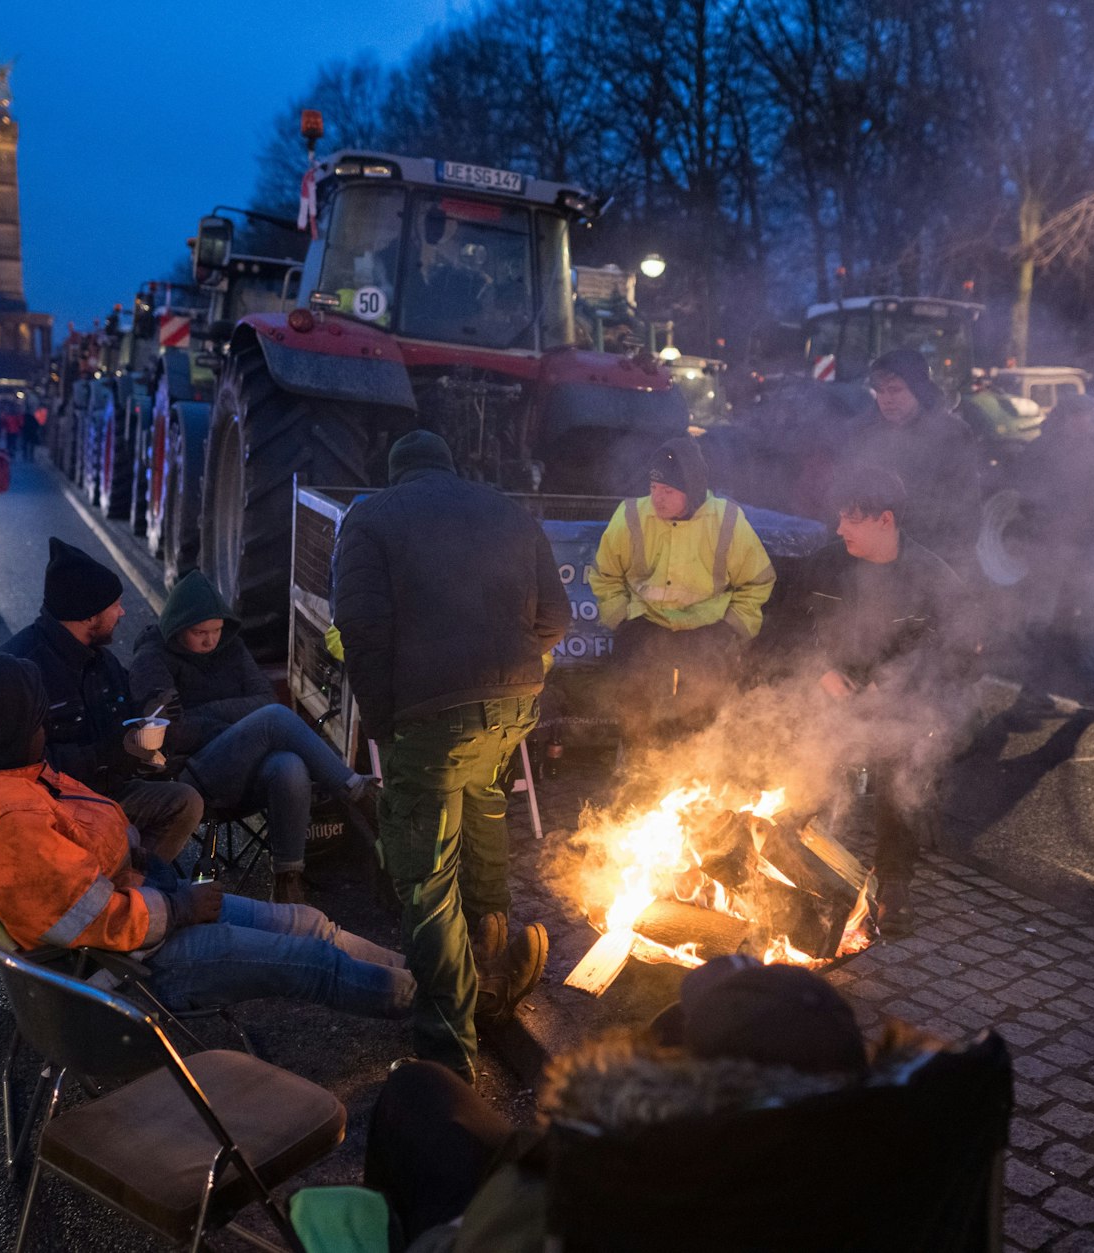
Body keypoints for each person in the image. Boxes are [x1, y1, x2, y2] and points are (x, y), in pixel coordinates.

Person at [0, 652, 415, 1021]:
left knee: (307, 924)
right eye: (37, 720)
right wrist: (180, 908)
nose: (46, 731)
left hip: (145, 904)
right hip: (127, 966)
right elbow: (87, 921)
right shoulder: (8, 821)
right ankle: (431, 1004)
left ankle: (421, 976)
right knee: (312, 962)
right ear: (4, 728)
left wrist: (160, 879)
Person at [353, 957, 873, 1251]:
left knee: (413, 1093)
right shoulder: (845, 1177)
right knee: (428, 1088)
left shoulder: (616, 1178)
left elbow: (490, 1236)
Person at [332, 430, 566, 1081]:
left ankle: (445, 1049)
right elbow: (557, 617)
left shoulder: (370, 517)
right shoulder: (509, 509)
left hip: (431, 718)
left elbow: (359, 625)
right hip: (514, 704)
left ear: (395, 472)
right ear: (449, 465)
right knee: (486, 804)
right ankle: (490, 957)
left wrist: (384, 720)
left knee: (426, 876)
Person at [129, 570, 378, 904]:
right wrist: (237, 725)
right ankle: (357, 791)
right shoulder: (152, 658)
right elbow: (170, 733)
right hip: (190, 777)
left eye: (216, 630)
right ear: (176, 628)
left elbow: (264, 699)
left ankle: (288, 881)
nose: (210, 640)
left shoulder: (232, 647)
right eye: (199, 632)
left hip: (241, 769)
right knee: (274, 720)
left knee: (288, 764)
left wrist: (210, 717)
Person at [809, 465, 979, 933]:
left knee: (903, 763)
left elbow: (963, 651)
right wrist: (821, 672)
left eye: (852, 519)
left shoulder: (932, 577)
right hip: (829, 689)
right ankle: (795, 863)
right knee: (801, 756)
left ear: (885, 520)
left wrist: (897, 685)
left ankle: (895, 882)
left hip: (902, 701)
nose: (840, 528)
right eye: (839, 518)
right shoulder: (825, 563)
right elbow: (788, 626)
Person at [0, 538, 205, 864]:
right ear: (87, 615)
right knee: (120, 831)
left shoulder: (102, 661)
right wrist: (111, 751)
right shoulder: (22, 671)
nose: (122, 612)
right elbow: (24, 772)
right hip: (56, 806)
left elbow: (125, 730)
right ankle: (119, 897)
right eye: (115, 605)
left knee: (184, 801)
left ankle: (137, 890)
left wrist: (149, 718)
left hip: (105, 791)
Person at [589, 437, 775, 737]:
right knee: (637, 717)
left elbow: (757, 581)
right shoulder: (631, 516)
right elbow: (605, 575)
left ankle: (698, 775)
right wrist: (621, 619)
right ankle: (636, 774)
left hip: (707, 630)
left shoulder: (726, 520)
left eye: (668, 491)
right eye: (653, 489)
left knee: (702, 718)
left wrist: (731, 628)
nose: (657, 499)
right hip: (645, 625)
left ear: (693, 493)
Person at [846, 348, 982, 568]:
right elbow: (847, 496)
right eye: (880, 391)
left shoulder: (952, 435)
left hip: (934, 555)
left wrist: (952, 566)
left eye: (895, 390)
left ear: (918, 390)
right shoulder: (861, 433)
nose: (887, 399)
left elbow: (966, 510)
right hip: (872, 557)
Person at [1018, 392, 1094, 699]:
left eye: (1092, 416)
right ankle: (1034, 687)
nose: (1091, 422)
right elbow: (1027, 500)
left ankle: (1093, 682)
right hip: (1052, 545)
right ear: (1069, 418)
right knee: (1044, 615)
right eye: (1085, 416)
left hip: (1087, 543)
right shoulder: (1042, 451)